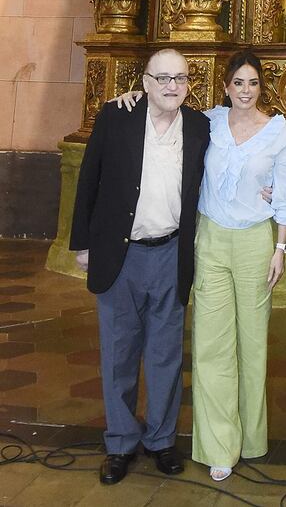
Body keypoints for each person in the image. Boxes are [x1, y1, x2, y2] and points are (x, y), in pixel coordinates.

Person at [116, 50, 286, 483]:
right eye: (238, 83)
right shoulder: (208, 122)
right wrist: (130, 95)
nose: (245, 91)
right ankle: (219, 445)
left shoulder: (276, 130)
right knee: (212, 346)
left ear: (261, 88)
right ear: (226, 86)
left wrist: (280, 250)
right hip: (211, 240)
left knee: (252, 346)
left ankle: (251, 438)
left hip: (257, 243)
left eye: (253, 84)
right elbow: (163, 105)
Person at [70, 49, 210, 486]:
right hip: (121, 253)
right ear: (145, 82)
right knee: (120, 354)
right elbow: (88, 178)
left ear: (189, 84)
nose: (172, 86)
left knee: (167, 354)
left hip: (171, 253)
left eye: (181, 79)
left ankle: (162, 440)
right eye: (163, 78)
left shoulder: (202, 127)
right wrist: (82, 243)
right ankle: (120, 443)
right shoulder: (116, 116)